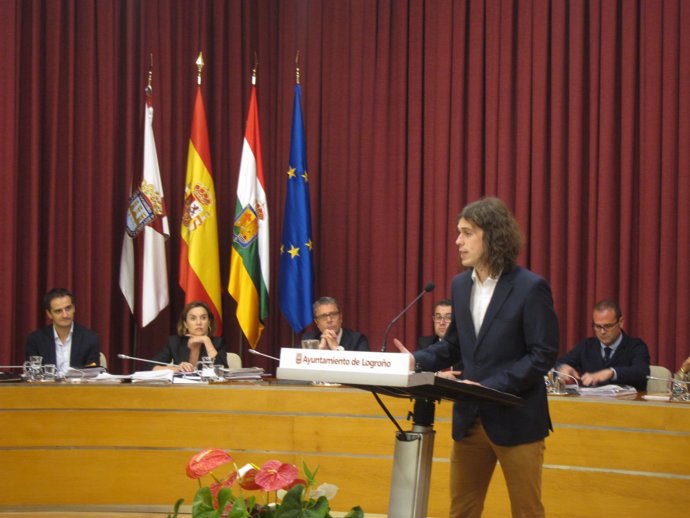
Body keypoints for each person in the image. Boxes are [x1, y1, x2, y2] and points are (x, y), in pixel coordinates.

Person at [393, 197, 559, 518]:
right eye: (458, 233)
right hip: (470, 421)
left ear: (492, 235)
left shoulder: (530, 287)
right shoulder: (460, 286)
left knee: (527, 511)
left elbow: (542, 355)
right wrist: (417, 360)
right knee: (462, 511)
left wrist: (488, 387)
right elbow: (455, 345)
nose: (458, 241)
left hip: (517, 420)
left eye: (467, 233)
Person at [556, 300, 650, 391]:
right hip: (592, 404)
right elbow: (559, 363)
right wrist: (563, 367)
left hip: (626, 404)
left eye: (608, 326)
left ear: (620, 322)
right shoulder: (587, 346)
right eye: (598, 326)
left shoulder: (636, 346)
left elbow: (642, 372)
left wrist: (611, 372)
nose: (602, 332)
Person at [25, 288, 101, 375]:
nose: (65, 315)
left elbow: (93, 374)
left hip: (78, 388)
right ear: (49, 314)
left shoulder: (91, 339)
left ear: (74, 308)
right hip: (47, 388)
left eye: (68, 308)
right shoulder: (36, 340)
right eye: (58, 311)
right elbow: (33, 374)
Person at [150, 301, 227, 372]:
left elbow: (223, 371)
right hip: (181, 386)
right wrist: (176, 369)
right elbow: (150, 366)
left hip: (206, 386)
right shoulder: (174, 342)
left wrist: (206, 341)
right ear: (186, 324)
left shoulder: (217, 343)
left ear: (209, 322)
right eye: (193, 318)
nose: (199, 322)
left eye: (203, 318)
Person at [301, 296, 370, 351]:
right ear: (317, 322)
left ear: (340, 317)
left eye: (333, 314)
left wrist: (337, 349)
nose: (329, 320)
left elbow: (363, 367)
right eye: (323, 316)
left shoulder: (358, 340)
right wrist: (318, 350)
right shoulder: (309, 339)